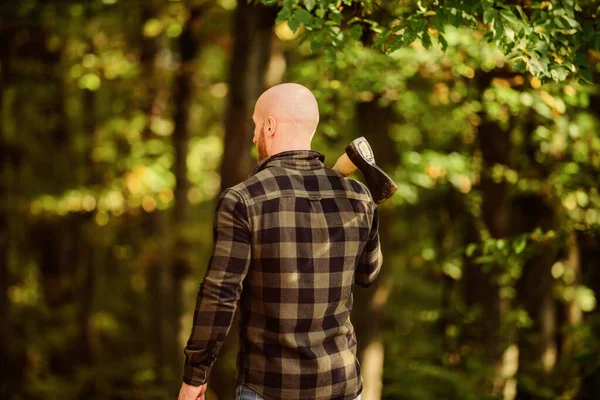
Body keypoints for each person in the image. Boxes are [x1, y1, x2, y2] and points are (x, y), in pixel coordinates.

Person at [178, 83, 382, 400]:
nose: (253, 136)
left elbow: (220, 296)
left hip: (269, 388)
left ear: (269, 126)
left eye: (256, 125)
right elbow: (368, 274)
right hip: (341, 385)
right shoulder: (359, 198)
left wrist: (195, 376)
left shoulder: (244, 199)